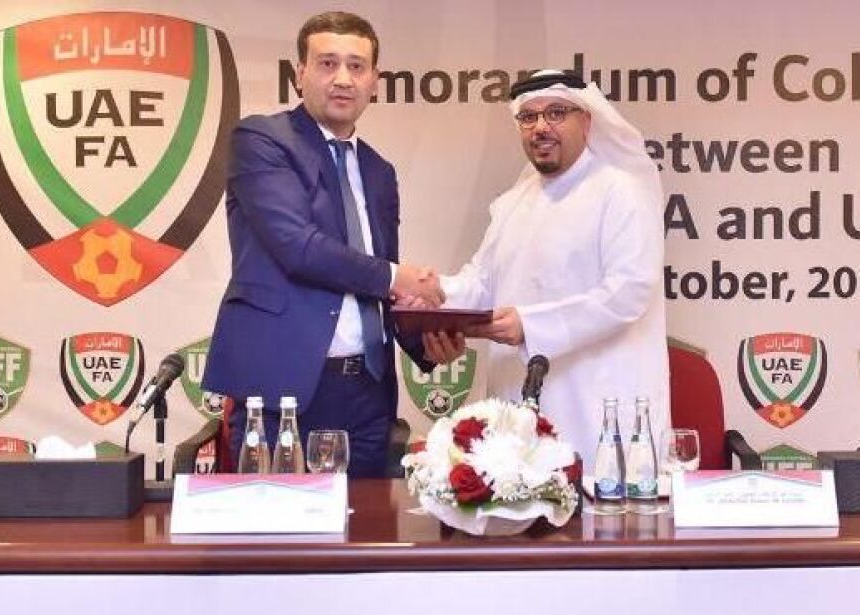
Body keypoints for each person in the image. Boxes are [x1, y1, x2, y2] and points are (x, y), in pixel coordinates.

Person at [203, 12, 442, 477]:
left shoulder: (379, 171)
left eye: (357, 66)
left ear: (374, 81)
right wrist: (399, 276)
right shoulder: (261, 139)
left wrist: (426, 343)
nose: (343, 79)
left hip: (367, 396)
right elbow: (297, 247)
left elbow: (378, 281)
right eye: (327, 63)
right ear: (300, 74)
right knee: (273, 521)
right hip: (279, 390)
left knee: (363, 520)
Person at [422, 70, 670, 468]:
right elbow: (480, 283)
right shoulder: (513, 202)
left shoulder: (621, 190)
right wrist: (428, 293)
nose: (540, 127)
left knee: (595, 502)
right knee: (516, 500)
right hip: (517, 409)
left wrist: (530, 326)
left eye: (556, 113)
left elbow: (629, 292)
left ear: (586, 121)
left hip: (596, 404)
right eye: (528, 117)